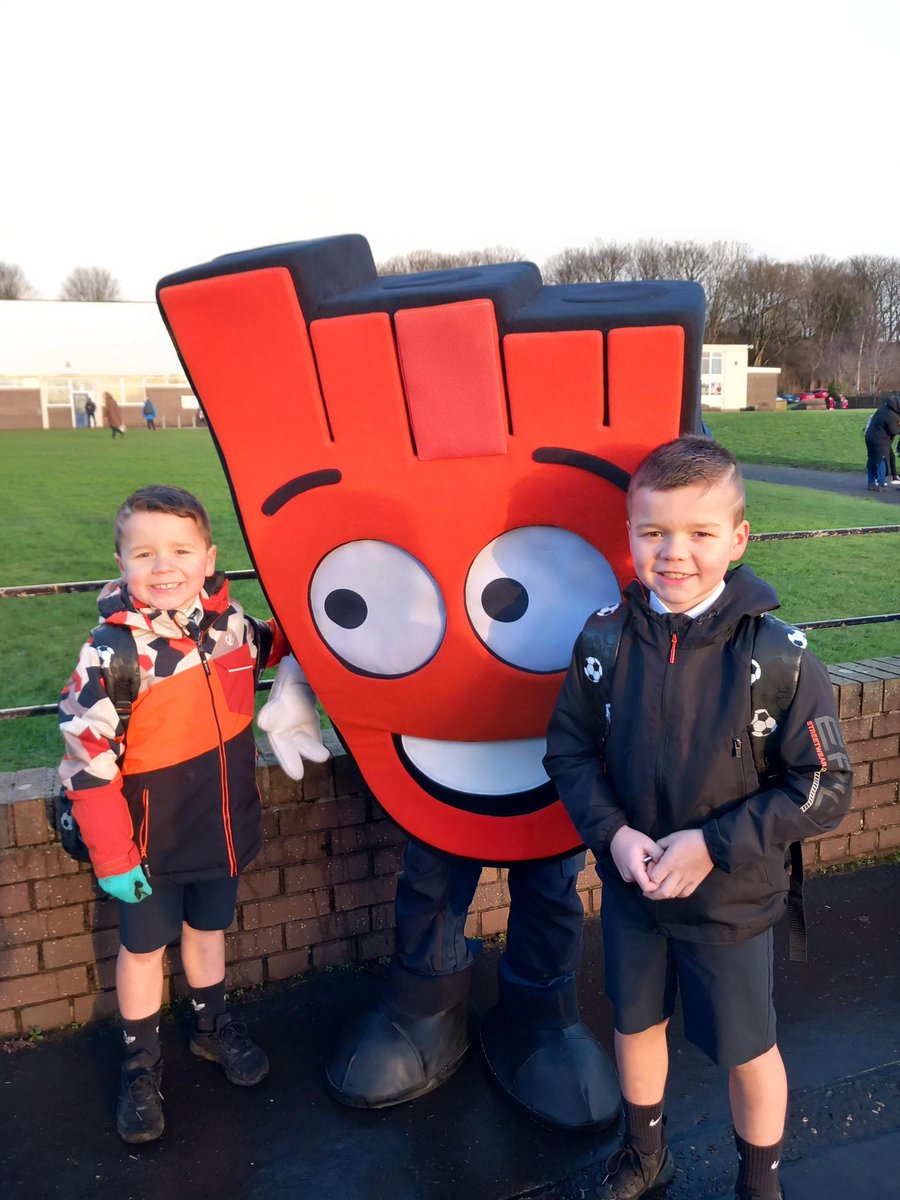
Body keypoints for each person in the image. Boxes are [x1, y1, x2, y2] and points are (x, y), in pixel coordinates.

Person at [544, 435, 852, 1200]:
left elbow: (825, 787)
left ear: (739, 538)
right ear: (630, 535)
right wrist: (612, 835)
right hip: (634, 891)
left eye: (700, 533)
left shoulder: (780, 655)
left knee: (750, 1048)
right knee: (634, 1025)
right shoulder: (603, 639)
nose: (674, 554)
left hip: (731, 902)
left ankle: (761, 1182)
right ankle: (646, 1155)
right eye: (653, 533)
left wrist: (713, 846)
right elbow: (569, 753)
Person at [59, 484, 291, 1145]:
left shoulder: (232, 626)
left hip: (220, 832)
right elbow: (86, 761)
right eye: (145, 553)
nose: (164, 567)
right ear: (121, 561)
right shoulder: (111, 652)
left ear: (210, 557)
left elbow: (283, 644)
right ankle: (141, 1065)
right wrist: (113, 856)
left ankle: (212, 1028)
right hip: (145, 849)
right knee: (140, 951)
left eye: (181, 550)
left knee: (208, 934)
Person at [863, 393, 900, 490]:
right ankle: (881, 483)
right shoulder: (892, 415)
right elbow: (894, 430)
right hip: (880, 440)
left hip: (869, 437)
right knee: (881, 460)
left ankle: (871, 483)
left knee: (871, 460)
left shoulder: (882, 409)